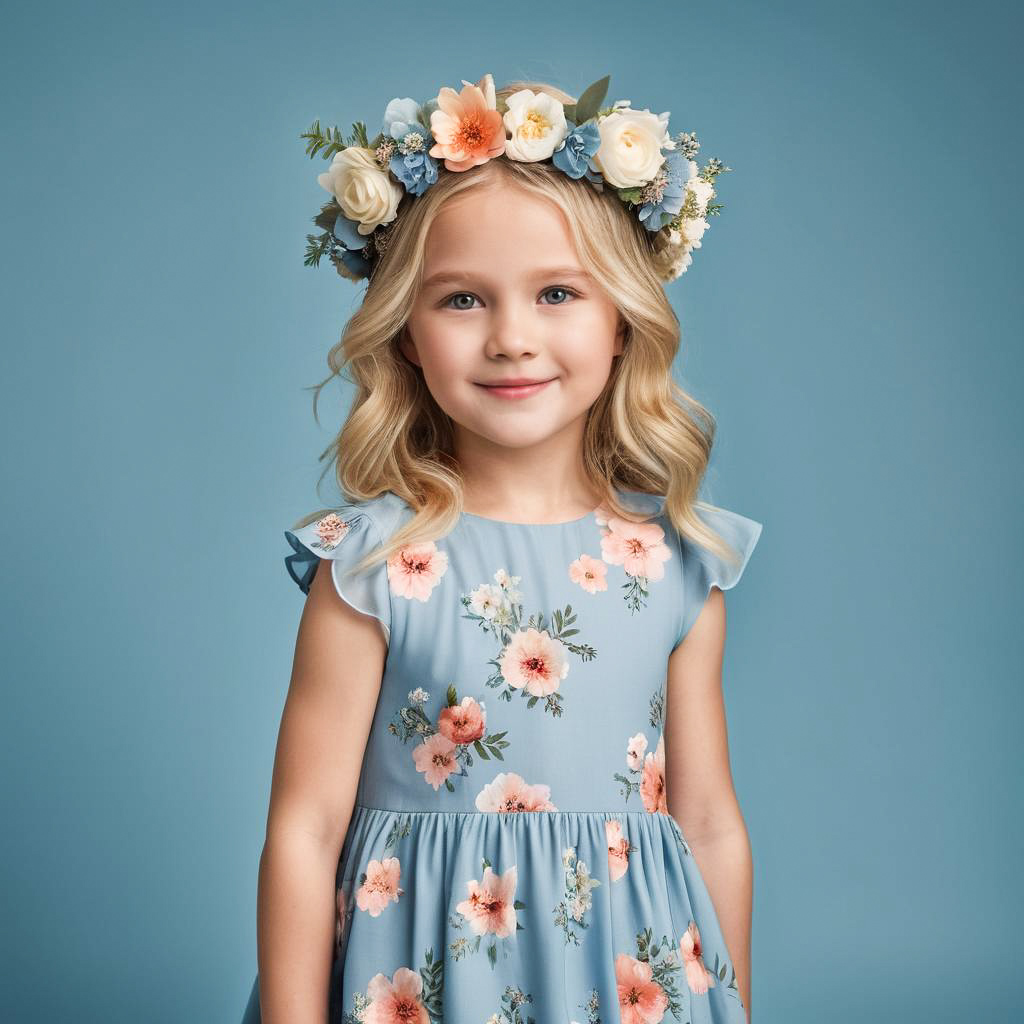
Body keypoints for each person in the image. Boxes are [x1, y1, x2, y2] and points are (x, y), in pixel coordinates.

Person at [241, 72, 763, 1024]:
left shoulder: (679, 566)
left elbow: (711, 825)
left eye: (558, 292)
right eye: (463, 301)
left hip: (627, 983)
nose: (513, 339)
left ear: (620, 323)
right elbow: (306, 829)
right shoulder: (369, 569)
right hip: (420, 981)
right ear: (404, 334)